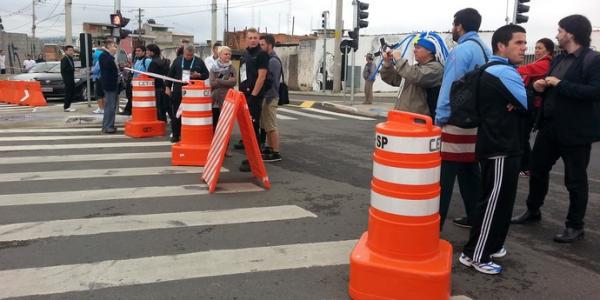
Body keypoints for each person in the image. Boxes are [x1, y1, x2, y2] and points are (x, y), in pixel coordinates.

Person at [511, 15, 600, 243]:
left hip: (575, 130)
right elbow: (551, 88)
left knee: (575, 179)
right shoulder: (558, 59)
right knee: (537, 170)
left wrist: (560, 84)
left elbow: (594, 92)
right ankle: (533, 210)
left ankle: (575, 226)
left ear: (571, 33)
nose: (557, 34)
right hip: (550, 127)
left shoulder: (593, 59)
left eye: (560, 30)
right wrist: (540, 87)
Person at [459, 24, 528, 275]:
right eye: (518, 43)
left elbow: (520, 104)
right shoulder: (504, 72)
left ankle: (493, 245)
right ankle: (475, 255)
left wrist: (518, 103)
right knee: (494, 203)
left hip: (498, 145)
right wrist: (520, 101)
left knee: (498, 201)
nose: (524, 47)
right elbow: (526, 104)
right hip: (500, 147)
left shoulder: (492, 70)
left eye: (524, 42)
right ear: (501, 45)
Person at [435, 8, 491, 229]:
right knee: (470, 173)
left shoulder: (461, 51)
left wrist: (441, 116)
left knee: (444, 176)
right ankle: (476, 218)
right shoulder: (485, 49)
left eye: (453, 25)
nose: (452, 29)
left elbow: (450, 85)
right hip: (477, 120)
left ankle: (434, 224)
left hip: (456, 121)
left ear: (459, 26)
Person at [380, 32, 444, 117]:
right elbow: (394, 79)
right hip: (403, 119)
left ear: (429, 51)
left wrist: (399, 59)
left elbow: (416, 76)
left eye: (418, 48)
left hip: (418, 123)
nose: (414, 50)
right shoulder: (414, 69)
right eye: (414, 47)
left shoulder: (436, 68)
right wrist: (387, 63)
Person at [516, 38, 555, 176]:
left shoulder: (545, 63)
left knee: (522, 135)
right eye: (536, 47)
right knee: (522, 135)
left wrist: (507, 67)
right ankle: (527, 166)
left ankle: (527, 166)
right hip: (533, 104)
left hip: (534, 105)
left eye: (540, 48)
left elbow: (527, 70)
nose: (537, 50)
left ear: (548, 50)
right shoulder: (540, 62)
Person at [237, 28, 269, 172]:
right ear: (246, 39)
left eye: (255, 37)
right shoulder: (244, 55)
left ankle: (253, 160)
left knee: (253, 129)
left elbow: (261, 77)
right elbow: (242, 74)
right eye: (250, 37)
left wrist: (254, 96)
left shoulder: (262, 55)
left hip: (254, 97)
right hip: (244, 95)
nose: (253, 40)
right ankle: (250, 156)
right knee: (247, 129)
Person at [166, 45, 209, 143]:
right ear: (183, 52)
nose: (188, 57)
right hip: (178, 90)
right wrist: (167, 87)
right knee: (176, 113)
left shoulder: (199, 61)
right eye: (187, 55)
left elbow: (206, 75)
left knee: (191, 114)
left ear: (193, 53)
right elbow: (170, 75)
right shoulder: (177, 61)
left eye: (190, 55)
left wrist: (199, 75)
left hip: (193, 92)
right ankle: (176, 135)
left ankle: (189, 134)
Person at [259, 34, 283, 162]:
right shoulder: (268, 59)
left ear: (269, 45)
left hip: (270, 96)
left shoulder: (272, 61)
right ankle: (269, 147)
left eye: (262, 44)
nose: (260, 47)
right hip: (267, 96)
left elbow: (271, 82)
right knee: (267, 124)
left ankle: (276, 152)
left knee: (271, 126)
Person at [209, 45, 236, 156]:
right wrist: (225, 80)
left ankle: (225, 149)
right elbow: (212, 83)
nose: (228, 56)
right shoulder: (213, 68)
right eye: (225, 54)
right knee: (215, 124)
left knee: (226, 125)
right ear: (220, 55)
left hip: (227, 98)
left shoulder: (231, 68)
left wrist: (219, 80)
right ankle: (215, 148)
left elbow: (233, 82)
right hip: (215, 99)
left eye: (229, 54)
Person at [145, 44, 171, 124]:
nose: (147, 52)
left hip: (156, 87)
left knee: (158, 107)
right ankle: (164, 121)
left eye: (148, 50)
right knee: (163, 106)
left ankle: (160, 123)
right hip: (163, 86)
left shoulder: (153, 62)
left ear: (152, 52)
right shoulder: (163, 61)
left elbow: (150, 75)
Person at [99, 40, 119, 134]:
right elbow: (107, 65)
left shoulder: (108, 56)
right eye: (113, 46)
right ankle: (108, 126)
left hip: (111, 84)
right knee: (110, 106)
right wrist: (111, 54)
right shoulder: (105, 56)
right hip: (109, 85)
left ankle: (108, 125)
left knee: (110, 106)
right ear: (109, 47)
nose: (115, 48)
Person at [122, 46, 150, 115]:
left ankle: (129, 110)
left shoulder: (147, 61)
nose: (137, 52)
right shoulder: (136, 60)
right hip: (134, 83)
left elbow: (148, 72)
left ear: (144, 52)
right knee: (131, 97)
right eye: (136, 51)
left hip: (142, 84)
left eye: (139, 51)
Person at [60, 45, 77, 112]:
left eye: (72, 50)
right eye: (69, 50)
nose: (71, 52)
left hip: (71, 78)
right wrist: (72, 69)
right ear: (66, 51)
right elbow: (63, 69)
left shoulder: (70, 58)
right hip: (67, 78)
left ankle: (68, 106)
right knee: (68, 92)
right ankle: (66, 107)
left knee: (72, 92)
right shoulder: (64, 59)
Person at [91, 49, 105, 114]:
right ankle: (103, 108)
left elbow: (95, 70)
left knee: (98, 95)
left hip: (98, 79)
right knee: (103, 95)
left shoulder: (99, 61)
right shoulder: (104, 61)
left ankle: (100, 108)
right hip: (103, 79)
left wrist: (90, 71)